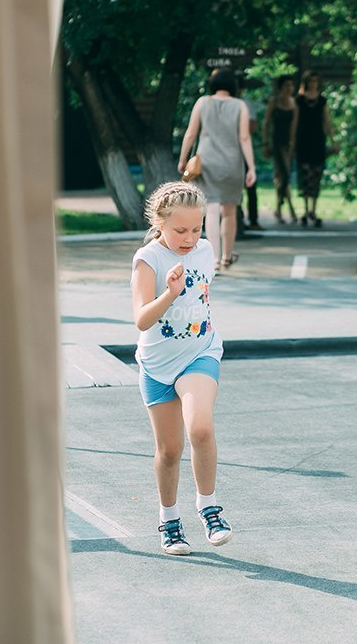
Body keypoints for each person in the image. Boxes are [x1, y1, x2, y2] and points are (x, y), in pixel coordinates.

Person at [131, 181, 234, 556]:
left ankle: (209, 507)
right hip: (157, 366)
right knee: (170, 450)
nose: (190, 238)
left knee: (201, 428)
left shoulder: (205, 251)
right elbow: (142, 319)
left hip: (200, 353)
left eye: (197, 229)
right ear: (159, 223)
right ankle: (169, 521)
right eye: (180, 231)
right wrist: (169, 294)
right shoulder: (149, 259)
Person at [178, 68, 257, 270]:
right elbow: (245, 138)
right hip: (232, 164)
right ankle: (226, 257)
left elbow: (190, 134)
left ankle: (213, 260)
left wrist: (183, 159)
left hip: (207, 163)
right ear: (233, 85)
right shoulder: (240, 106)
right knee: (229, 211)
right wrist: (252, 168)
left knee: (211, 209)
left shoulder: (203, 102)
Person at [294, 70, 337, 227]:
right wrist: (292, 141)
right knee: (305, 174)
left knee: (316, 174)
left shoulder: (322, 101)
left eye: (315, 81)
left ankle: (313, 209)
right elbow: (295, 122)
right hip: (303, 140)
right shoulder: (299, 100)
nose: (313, 83)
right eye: (310, 81)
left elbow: (327, 122)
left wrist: (333, 141)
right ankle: (305, 209)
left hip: (318, 140)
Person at [263, 75, 299, 224]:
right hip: (276, 143)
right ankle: (288, 208)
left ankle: (280, 208)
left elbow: (294, 126)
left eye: (291, 85)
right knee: (283, 174)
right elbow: (266, 123)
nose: (289, 88)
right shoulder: (274, 102)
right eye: (286, 85)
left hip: (288, 144)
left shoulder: (294, 104)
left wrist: (292, 144)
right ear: (280, 87)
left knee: (283, 177)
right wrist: (266, 143)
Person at [237, 84, 263, 232]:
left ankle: (253, 220)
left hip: (242, 150)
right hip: (228, 152)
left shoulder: (246, 104)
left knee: (250, 186)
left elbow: (251, 128)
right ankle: (238, 219)